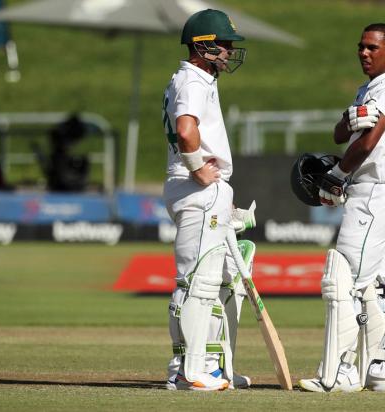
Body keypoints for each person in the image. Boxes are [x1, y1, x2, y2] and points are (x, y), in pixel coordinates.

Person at [298, 23, 385, 393]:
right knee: (377, 284)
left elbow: (367, 143)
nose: (364, 53)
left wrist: (336, 175)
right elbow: (341, 134)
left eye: (372, 48)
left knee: (344, 280)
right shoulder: (369, 89)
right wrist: (347, 120)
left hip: (374, 191)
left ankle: (342, 371)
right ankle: (379, 369)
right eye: (361, 47)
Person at [160, 8, 255, 392]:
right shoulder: (192, 80)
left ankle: (208, 365)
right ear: (204, 46)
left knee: (211, 281)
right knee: (194, 281)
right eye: (225, 45)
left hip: (205, 191)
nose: (230, 52)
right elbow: (186, 131)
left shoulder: (197, 79)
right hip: (196, 187)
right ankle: (185, 370)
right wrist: (199, 168)